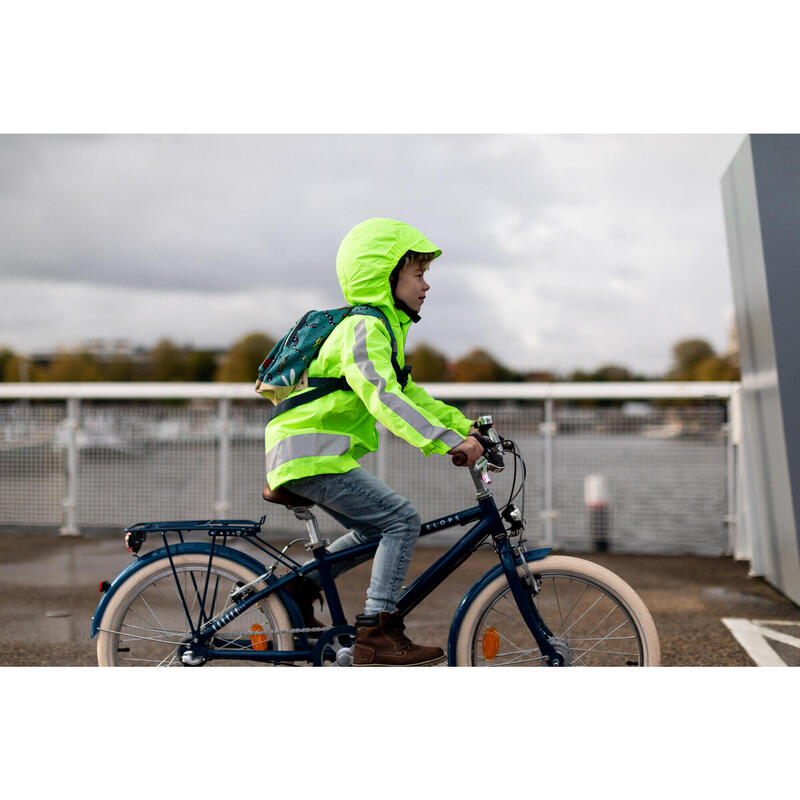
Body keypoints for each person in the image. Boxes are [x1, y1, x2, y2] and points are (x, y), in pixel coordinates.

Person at [264, 217, 483, 666]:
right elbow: (382, 397)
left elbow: (407, 393)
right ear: (385, 276)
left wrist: (465, 428)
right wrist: (446, 443)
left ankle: (301, 585)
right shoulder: (364, 328)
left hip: (312, 454)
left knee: (373, 527)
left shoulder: (381, 328)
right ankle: (378, 631)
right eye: (418, 274)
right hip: (310, 455)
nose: (426, 286)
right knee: (402, 520)